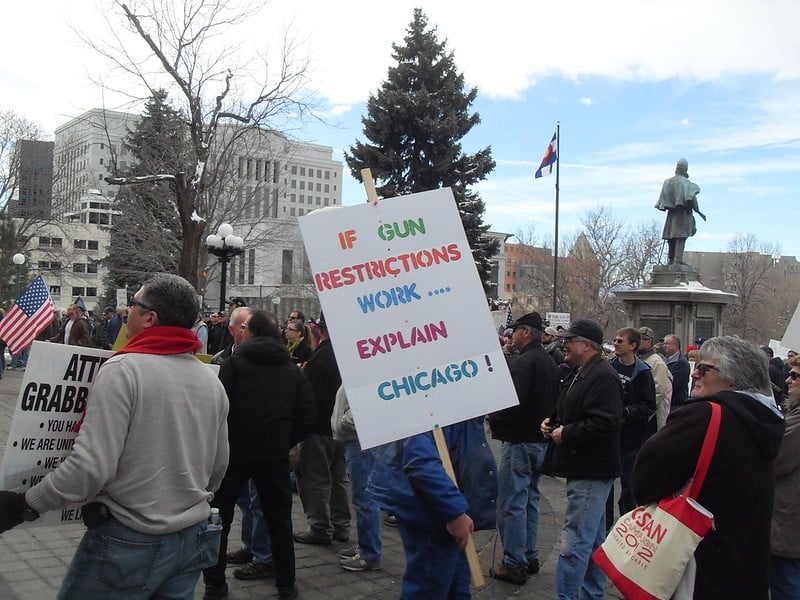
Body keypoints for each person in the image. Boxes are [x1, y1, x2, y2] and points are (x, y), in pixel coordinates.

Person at [0, 273, 230, 598]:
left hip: (129, 540)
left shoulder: (124, 370)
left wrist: (27, 503)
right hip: (192, 539)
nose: (127, 312)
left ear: (150, 318)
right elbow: (218, 469)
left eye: (134, 304)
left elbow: (90, 469)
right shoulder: (211, 382)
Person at [631, 336, 784, 600]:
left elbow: (644, 479)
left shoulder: (704, 416)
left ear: (733, 379)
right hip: (747, 567)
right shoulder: (768, 420)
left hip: (699, 565)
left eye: (705, 368)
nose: (695, 374)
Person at [202, 309, 315, 600]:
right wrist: (284, 440)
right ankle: (286, 585)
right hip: (273, 455)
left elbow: (217, 409)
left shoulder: (234, 364)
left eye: (245, 328)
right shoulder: (291, 370)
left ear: (251, 332)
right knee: (279, 521)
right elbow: (307, 416)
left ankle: (214, 584)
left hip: (234, 454)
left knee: (219, 518)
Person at [369, 418, 498, 598]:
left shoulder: (460, 409)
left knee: (456, 585)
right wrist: (454, 513)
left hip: (448, 510)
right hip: (433, 515)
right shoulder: (428, 410)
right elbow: (420, 462)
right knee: (429, 586)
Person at [541, 319, 622, 600]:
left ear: (586, 345)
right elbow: (574, 408)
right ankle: (592, 594)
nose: (564, 345)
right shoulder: (583, 372)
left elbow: (607, 421)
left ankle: (569, 595)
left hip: (591, 469)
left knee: (575, 541)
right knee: (593, 539)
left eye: (570, 341)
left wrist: (567, 433)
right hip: (585, 467)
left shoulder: (603, 376)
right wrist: (553, 423)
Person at [488, 312, 559, 585]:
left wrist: (494, 418)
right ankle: (529, 555)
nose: (512, 335)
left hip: (519, 441)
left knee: (512, 503)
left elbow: (510, 404)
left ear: (526, 332)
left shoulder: (524, 362)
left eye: (515, 330)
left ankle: (514, 561)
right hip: (538, 441)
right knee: (529, 500)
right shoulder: (548, 361)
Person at [294, 313, 351, 545]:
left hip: (319, 428)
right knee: (339, 479)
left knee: (316, 479)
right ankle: (341, 525)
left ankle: (319, 527)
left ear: (321, 329)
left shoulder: (320, 357)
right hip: (342, 428)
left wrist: (300, 426)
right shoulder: (348, 355)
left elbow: (310, 397)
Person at [332, 385, 383, 572]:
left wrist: (344, 422)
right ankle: (366, 546)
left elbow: (367, 406)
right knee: (363, 497)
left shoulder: (364, 374)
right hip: (356, 439)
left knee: (364, 498)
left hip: (359, 440)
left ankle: (370, 554)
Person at [608, 327, 655, 529]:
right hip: (610, 436)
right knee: (606, 483)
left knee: (628, 485)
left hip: (631, 438)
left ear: (633, 345)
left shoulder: (643, 372)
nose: (615, 344)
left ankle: (626, 525)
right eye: (615, 340)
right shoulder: (609, 367)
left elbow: (649, 405)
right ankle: (605, 525)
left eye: (620, 341)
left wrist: (627, 411)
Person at [770, 355, 800, 599]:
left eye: (795, 375)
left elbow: (776, 458)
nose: (788, 380)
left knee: (785, 581)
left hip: (789, 516)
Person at [655, 157, 705, 265]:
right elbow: (691, 198)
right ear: (685, 170)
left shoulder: (667, 182)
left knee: (671, 236)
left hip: (671, 215)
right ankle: (677, 259)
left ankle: (671, 259)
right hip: (683, 214)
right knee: (681, 235)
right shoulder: (687, 183)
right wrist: (698, 210)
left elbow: (663, 201)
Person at [637, 326, 672, 432]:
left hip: (651, 417)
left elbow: (659, 392)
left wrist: (642, 409)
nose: (637, 342)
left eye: (640, 339)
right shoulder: (638, 360)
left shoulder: (657, 363)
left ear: (649, 342)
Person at [663, 333, 691, 412]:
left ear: (676, 345)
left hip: (675, 405)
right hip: (668, 403)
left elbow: (674, 384)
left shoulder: (681, 363)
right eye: (664, 343)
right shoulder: (664, 360)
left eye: (667, 344)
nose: (664, 346)